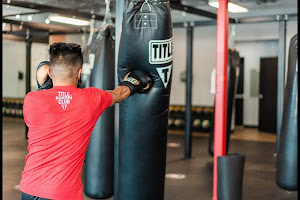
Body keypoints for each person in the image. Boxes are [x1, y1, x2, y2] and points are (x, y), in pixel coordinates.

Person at [19, 42, 153, 200]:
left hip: (30, 188)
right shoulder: (91, 99)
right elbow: (119, 94)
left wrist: (46, 86)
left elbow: (35, 122)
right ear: (79, 73)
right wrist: (135, 80)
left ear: (50, 71)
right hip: (62, 194)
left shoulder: (31, 100)